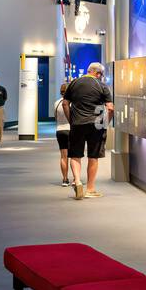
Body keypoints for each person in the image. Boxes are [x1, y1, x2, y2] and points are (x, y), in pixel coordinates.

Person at [62, 62, 113, 200]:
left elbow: (65, 103)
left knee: (75, 155)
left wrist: (71, 120)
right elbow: (110, 108)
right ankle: (90, 189)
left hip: (77, 123)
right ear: (98, 74)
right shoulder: (101, 86)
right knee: (93, 156)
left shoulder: (74, 83)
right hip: (96, 125)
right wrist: (105, 123)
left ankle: (77, 181)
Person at [55, 81, 72, 186]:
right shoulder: (72, 103)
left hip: (60, 130)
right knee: (74, 156)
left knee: (63, 156)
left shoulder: (56, 103)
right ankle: (76, 179)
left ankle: (65, 179)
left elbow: (56, 118)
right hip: (71, 130)